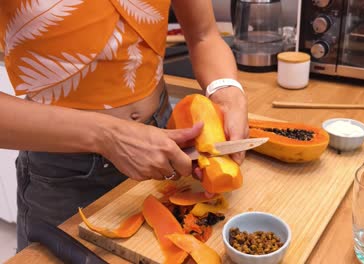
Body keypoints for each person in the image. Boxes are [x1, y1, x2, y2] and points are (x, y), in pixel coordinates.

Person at [0, 0, 248, 251]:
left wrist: (226, 90)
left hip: (165, 146)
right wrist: (107, 136)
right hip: (63, 171)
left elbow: (204, 35)